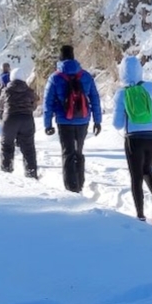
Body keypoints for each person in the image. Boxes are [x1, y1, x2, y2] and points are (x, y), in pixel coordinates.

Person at [111, 55, 152, 222]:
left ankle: (140, 215)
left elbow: (117, 124)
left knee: (136, 176)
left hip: (134, 139)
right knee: (147, 170)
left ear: (122, 72)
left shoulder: (121, 94)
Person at [42, 44, 102, 193]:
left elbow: (48, 103)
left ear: (60, 58)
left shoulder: (55, 78)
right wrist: (97, 120)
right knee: (78, 151)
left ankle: (71, 187)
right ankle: (80, 182)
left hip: (64, 121)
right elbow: (94, 98)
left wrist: (47, 124)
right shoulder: (86, 76)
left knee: (68, 152)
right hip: (83, 119)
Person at [0, 67, 38, 178]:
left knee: (7, 146)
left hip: (10, 119)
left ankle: (6, 170)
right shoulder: (29, 91)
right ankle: (31, 172)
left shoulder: (6, 90)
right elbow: (34, 105)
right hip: (26, 119)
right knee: (28, 148)